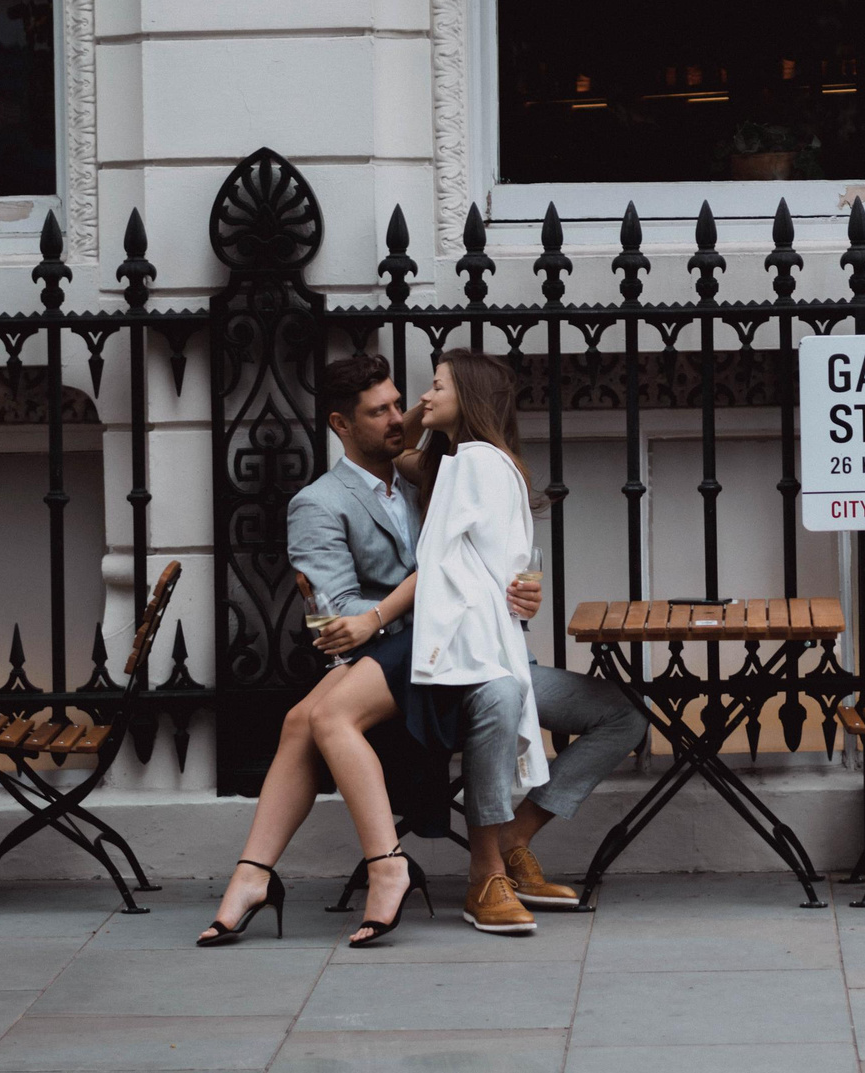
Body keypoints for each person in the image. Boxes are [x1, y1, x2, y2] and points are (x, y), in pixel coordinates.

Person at [398, 350, 644, 936]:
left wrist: (523, 595)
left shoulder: (482, 465)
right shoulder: (445, 466)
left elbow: (498, 569)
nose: (425, 396)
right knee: (503, 694)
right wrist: (426, 408)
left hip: (502, 648)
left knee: (624, 717)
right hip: (448, 661)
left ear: (470, 399)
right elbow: (394, 451)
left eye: (437, 386)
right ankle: (487, 874)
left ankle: (515, 836)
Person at [196, 356, 437, 948]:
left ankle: (380, 866)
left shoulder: (424, 477)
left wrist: (397, 605)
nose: (396, 419)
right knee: (298, 720)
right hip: (387, 648)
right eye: (377, 412)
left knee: (318, 716)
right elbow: (342, 613)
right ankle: (253, 876)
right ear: (341, 424)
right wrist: (407, 602)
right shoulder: (319, 503)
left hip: (435, 644)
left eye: (397, 405)